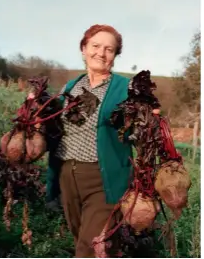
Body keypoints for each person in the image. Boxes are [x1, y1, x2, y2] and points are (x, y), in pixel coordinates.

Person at [45, 25, 133, 258]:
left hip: (104, 178)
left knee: (91, 247)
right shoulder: (72, 87)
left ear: (115, 56)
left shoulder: (125, 89)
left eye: (109, 49)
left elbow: (139, 130)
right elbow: (55, 130)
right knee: (82, 239)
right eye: (95, 46)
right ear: (84, 49)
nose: (101, 53)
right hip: (67, 176)